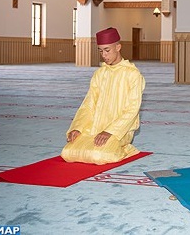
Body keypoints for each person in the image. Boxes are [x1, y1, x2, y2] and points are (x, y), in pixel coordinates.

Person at [61, 27, 146, 165]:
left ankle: (126, 148)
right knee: (68, 153)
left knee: (98, 155)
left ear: (118, 47)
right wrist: (77, 127)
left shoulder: (133, 74)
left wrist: (110, 131)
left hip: (120, 130)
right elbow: (88, 104)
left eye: (107, 50)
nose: (104, 55)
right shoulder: (99, 74)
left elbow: (132, 109)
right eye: (101, 51)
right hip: (94, 127)